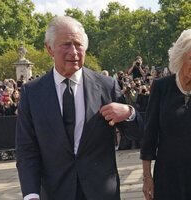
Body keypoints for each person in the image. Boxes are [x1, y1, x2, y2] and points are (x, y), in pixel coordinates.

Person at [16, 16, 142, 200]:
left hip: (100, 192)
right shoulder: (32, 93)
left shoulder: (107, 86)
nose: (74, 52)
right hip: (54, 192)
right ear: (49, 48)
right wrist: (31, 194)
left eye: (78, 44)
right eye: (66, 44)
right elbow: (26, 149)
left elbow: (139, 134)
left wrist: (129, 114)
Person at [140, 29, 191, 200]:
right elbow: (149, 136)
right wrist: (147, 177)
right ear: (180, 58)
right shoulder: (161, 87)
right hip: (168, 175)